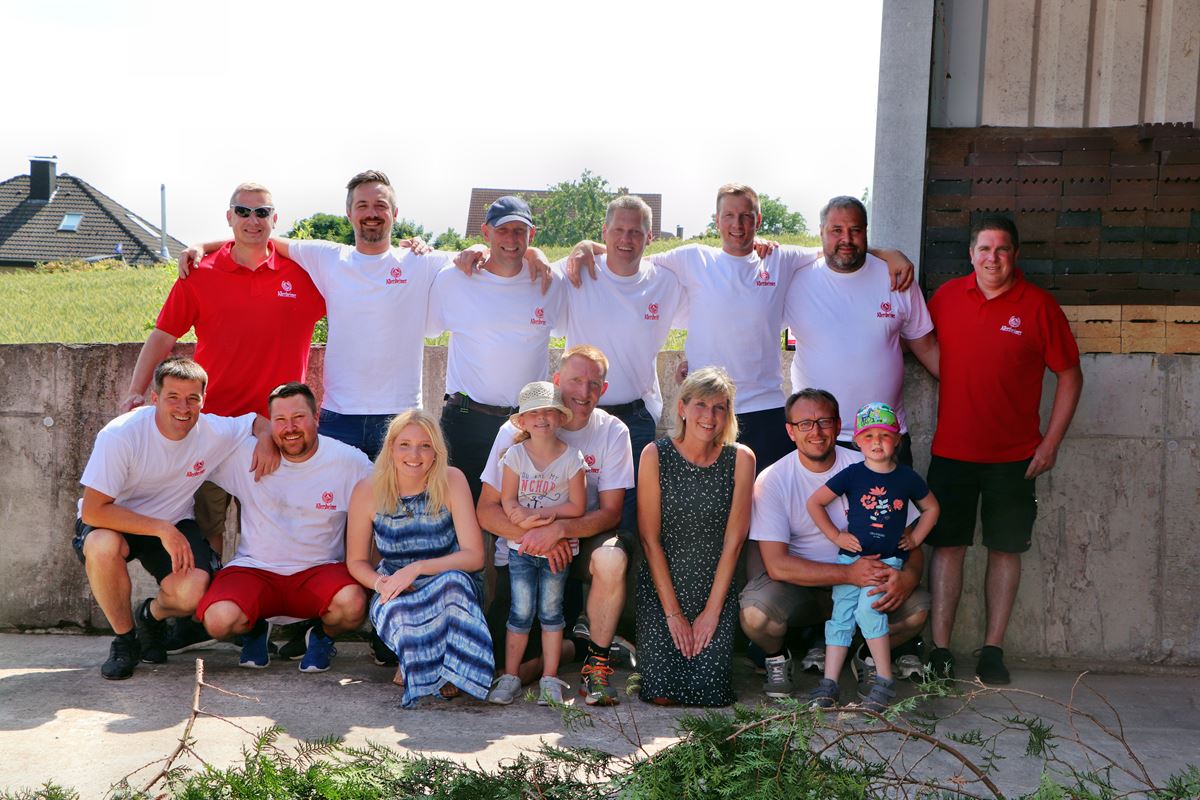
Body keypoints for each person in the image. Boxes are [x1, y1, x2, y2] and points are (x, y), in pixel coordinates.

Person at [568, 184, 914, 471]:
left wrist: (887, 253)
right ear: (717, 220)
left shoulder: (780, 258)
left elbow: (836, 248)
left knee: (763, 507)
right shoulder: (692, 258)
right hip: (707, 409)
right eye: (730, 216)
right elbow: (630, 255)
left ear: (758, 220)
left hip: (765, 408)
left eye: (747, 216)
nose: (738, 224)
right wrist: (588, 247)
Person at [121, 181, 323, 561]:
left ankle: (254, 597)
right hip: (211, 428)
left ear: (275, 219)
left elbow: (359, 283)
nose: (252, 220)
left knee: (270, 539)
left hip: (276, 430)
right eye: (242, 211)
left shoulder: (304, 274)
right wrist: (136, 390)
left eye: (262, 212)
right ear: (229, 217)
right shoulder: (200, 272)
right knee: (208, 534)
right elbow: (163, 335)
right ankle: (209, 596)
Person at [925, 215, 1083, 685]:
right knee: (947, 547)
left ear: (1015, 254)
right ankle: (940, 650)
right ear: (970, 254)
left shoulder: (1039, 306)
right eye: (984, 249)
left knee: (1005, 550)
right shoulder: (946, 298)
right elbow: (916, 337)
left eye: (1002, 249)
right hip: (952, 452)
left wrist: (1051, 443)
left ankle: (992, 650)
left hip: (1015, 458)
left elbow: (1070, 375)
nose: (992, 258)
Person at [73, 357, 275, 679]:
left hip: (174, 521)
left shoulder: (211, 430)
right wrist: (161, 529)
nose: (183, 407)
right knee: (101, 545)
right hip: (116, 521)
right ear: (155, 398)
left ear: (203, 401)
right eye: (173, 397)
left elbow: (255, 421)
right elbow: (94, 510)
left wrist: (266, 440)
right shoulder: (121, 434)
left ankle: (150, 617)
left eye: (193, 398)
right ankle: (125, 641)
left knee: (192, 592)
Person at [738, 388, 931, 699]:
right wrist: (849, 574)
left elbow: (911, 543)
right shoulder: (774, 479)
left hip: (869, 583)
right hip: (802, 588)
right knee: (755, 615)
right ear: (790, 431)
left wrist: (907, 578)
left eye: (824, 421)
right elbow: (776, 565)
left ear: (839, 426)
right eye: (804, 424)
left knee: (916, 611)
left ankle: (867, 657)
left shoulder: (870, 465)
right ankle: (777, 657)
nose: (816, 431)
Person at [477, 345, 635, 706]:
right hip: (524, 554)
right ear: (557, 380)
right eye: (576, 380)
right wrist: (539, 537)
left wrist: (560, 531)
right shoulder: (517, 431)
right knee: (498, 672)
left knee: (612, 558)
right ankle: (576, 645)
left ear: (603, 390)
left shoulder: (612, 431)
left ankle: (597, 663)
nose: (584, 392)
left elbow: (611, 514)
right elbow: (486, 511)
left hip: (578, 548)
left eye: (594, 384)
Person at [194, 383, 371, 673]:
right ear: (270, 423)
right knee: (217, 620)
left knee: (352, 606)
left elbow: (388, 495)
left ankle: (321, 636)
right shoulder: (247, 455)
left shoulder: (348, 461)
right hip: (255, 569)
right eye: (280, 420)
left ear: (316, 417)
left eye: (299, 417)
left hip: (319, 569)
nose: (290, 428)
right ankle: (254, 631)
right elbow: (193, 445)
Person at [345, 409, 494, 708]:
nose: (414, 455)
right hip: (395, 582)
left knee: (453, 587)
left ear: (437, 451)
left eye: (425, 446)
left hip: (449, 578)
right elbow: (356, 561)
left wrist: (418, 568)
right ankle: (418, 663)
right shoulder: (367, 490)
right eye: (405, 444)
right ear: (391, 448)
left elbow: (475, 557)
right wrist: (382, 583)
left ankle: (447, 671)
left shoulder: (452, 480)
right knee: (397, 608)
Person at [428, 195, 566, 503]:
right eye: (502, 230)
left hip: (527, 424)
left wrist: (538, 255)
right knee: (458, 514)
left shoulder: (549, 280)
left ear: (532, 235)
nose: (511, 239)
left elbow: (595, 257)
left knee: (525, 514)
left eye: (520, 231)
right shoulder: (454, 278)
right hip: (467, 419)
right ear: (486, 232)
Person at [784, 196, 938, 465]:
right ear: (821, 231)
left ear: (866, 231)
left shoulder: (897, 278)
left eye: (855, 230)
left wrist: (974, 391)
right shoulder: (795, 279)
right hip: (819, 439)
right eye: (836, 230)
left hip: (884, 435)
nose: (846, 238)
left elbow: (926, 347)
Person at [805, 402, 939, 711]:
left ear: (897, 440)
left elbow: (932, 508)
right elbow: (815, 503)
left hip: (885, 562)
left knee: (869, 613)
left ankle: (884, 681)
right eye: (868, 436)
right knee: (840, 619)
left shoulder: (906, 478)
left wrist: (915, 537)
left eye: (885, 435)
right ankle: (830, 684)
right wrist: (836, 536)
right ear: (858, 442)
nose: (876, 442)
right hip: (849, 562)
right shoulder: (852, 475)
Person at [635, 367, 754, 706]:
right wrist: (673, 614)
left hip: (714, 591)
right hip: (663, 591)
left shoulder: (741, 459)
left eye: (719, 407)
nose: (709, 416)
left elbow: (734, 543)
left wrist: (711, 613)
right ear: (682, 408)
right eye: (701, 404)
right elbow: (649, 540)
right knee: (660, 695)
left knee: (711, 694)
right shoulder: (655, 455)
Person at [487, 382, 586, 706]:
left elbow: (577, 507)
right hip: (522, 550)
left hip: (557, 551)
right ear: (523, 421)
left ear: (560, 417)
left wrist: (541, 516)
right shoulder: (515, 456)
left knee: (551, 613)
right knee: (520, 612)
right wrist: (520, 517)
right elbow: (508, 500)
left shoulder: (572, 458)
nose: (542, 418)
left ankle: (550, 678)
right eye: (534, 413)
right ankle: (511, 676)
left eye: (548, 412)